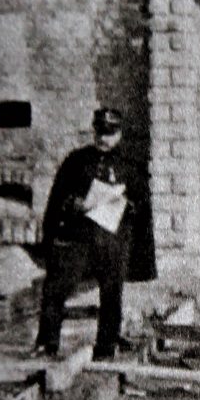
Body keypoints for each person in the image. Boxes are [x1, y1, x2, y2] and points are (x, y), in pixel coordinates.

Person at [33, 108, 141, 360]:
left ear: (120, 134)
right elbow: (58, 197)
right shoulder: (76, 161)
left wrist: (126, 203)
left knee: (112, 295)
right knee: (56, 288)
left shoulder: (129, 164)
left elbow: (141, 201)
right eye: (101, 132)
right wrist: (75, 204)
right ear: (94, 131)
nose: (104, 139)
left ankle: (106, 347)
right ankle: (47, 343)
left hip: (112, 241)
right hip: (78, 239)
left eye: (110, 133)